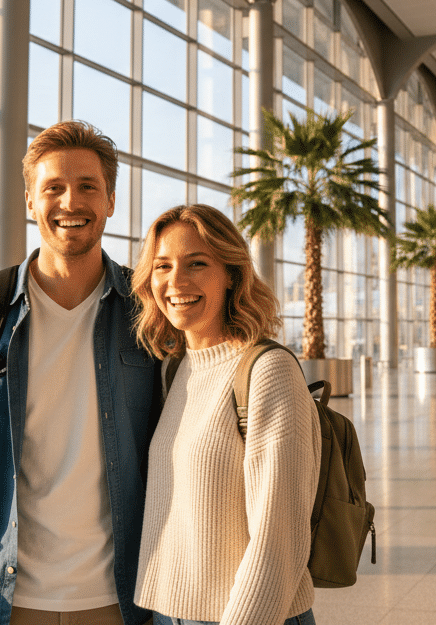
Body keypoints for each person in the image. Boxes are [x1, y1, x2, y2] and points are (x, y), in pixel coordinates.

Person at [0, 121, 162, 625]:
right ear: (29, 200)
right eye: (53, 188)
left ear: (111, 199)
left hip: (123, 600)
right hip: (4, 602)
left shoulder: (146, 310)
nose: (71, 202)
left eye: (88, 186)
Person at [132, 204, 321, 625]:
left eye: (196, 264)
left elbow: (280, 540)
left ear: (232, 274)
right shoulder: (175, 368)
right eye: (162, 266)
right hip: (168, 614)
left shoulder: (267, 370)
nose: (176, 282)